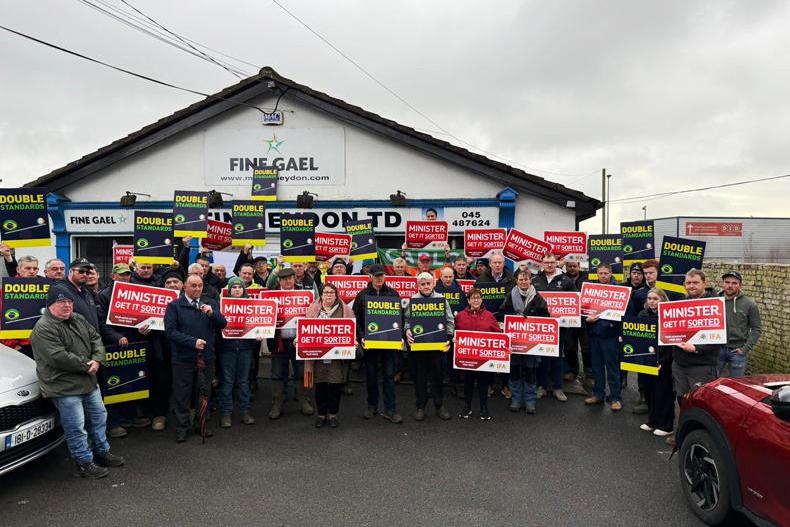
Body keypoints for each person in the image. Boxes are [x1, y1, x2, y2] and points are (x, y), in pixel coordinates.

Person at [30, 288, 124, 478]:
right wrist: (86, 365)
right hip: (64, 386)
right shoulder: (43, 327)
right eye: (61, 302)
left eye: (69, 302)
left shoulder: (78, 318)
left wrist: (97, 359)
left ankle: (101, 451)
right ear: (50, 305)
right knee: (76, 427)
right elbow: (57, 357)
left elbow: (96, 338)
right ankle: (83, 463)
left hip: (88, 380)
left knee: (98, 417)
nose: (67, 306)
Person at [164, 275, 227, 443]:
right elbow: (170, 332)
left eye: (200, 286)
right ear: (185, 286)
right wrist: (193, 343)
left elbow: (223, 323)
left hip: (206, 357)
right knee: (182, 393)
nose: (197, 289)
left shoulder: (210, 303)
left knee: (204, 391)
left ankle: (203, 424)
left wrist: (212, 313)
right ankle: (182, 427)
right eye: (193, 285)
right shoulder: (174, 306)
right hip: (182, 358)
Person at [96, 263, 151, 438]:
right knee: (113, 384)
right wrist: (116, 337)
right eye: (121, 275)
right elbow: (101, 323)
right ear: (113, 276)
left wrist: (144, 328)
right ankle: (113, 423)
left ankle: (131, 417)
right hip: (113, 346)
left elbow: (142, 316)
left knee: (134, 381)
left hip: (134, 345)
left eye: (127, 274)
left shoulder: (136, 293)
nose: (125, 278)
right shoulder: (104, 295)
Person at [352, 264, 403, 423]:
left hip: (389, 343)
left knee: (389, 376)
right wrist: (361, 337)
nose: (379, 278)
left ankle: (390, 409)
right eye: (376, 275)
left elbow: (400, 319)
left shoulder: (393, 294)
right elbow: (357, 321)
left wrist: (399, 336)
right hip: (370, 344)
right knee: (371, 376)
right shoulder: (362, 296)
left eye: (381, 275)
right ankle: (372, 406)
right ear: (370, 277)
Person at [498, 268, 550, 413]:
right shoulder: (510, 295)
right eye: (521, 279)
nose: (523, 282)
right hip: (514, 342)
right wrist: (514, 317)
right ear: (517, 281)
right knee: (514, 370)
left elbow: (546, 316)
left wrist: (532, 320)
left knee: (530, 371)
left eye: (526, 279)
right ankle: (516, 399)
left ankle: (530, 401)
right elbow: (501, 313)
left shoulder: (538, 298)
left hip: (531, 343)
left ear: (530, 280)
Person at [405, 272, 455, 421]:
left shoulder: (441, 299)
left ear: (433, 283)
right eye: (423, 284)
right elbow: (407, 321)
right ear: (418, 285)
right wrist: (407, 330)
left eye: (428, 283)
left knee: (437, 377)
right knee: (420, 377)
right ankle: (420, 406)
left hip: (437, 346)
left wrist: (448, 338)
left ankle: (439, 406)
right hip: (419, 348)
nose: (426, 286)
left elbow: (450, 321)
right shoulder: (412, 300)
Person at [304, 283, 355, 428]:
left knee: (334, 385)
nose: (328, 295)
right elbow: (305, 329)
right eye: (325, 292)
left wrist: (353, 342)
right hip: (318, 356)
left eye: (331, 292)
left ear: (336, 294)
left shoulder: (345, 310)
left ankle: (333, 414)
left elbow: (351, 331)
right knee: (320, 385)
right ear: (321, 294)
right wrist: (299, 339)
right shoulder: (313, 309)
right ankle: (321, 415)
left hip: (336, 357)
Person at [268, 267, 314, 419]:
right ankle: (277, 404)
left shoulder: (305, 294)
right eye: (283, 279)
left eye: (290, 278)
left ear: (295, 279)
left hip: (299, 341)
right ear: (279, 280)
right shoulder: (271, 294)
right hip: (278, 341)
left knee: (302, 371)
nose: (287, 281)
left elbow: (312, 314)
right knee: (277, 373)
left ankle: (304, 400)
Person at [671, 270, 720, 403]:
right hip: (679, 364)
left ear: (705, 283)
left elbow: (720, 337)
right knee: (682, 399)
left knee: (702, 401)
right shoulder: (679, 304)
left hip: (701, 365)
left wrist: (696, 348)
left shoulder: (716, 305)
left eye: (695, 283)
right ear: (684, 285)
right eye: (688, 283)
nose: (691, 286)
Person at [532, 253, 575, 402]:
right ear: (542, 264)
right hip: (541, 327)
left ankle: (557, 387)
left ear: (557, 263)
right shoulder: (535, 280)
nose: (549, 265)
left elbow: (574, 302)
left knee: (557, 356)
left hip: (559, 327)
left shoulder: (566, 281)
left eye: (551, 262)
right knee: (542, 357)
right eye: (546, 262)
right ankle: (542, 386)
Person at [218, 278, 260, 428]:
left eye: (239, 287)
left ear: (244, 289)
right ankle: (226, 413)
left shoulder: (252, 306)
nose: (237, 289)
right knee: (227, 382)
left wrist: (259, 334)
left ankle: (245, 412)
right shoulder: (221, 306)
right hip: (227, 349)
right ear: (229, 290)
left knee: (243, 382)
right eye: (234, 287)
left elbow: (258, 322)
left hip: (245, 349)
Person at [147, 267, 184, 431]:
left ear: (182, 285)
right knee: (161, 382)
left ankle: (183, 413)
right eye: (168, 282)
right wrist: (143, 327)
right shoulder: (154, 300)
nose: (172, 285)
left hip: (183, 348)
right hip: (161, 348)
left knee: (183, 383)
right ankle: (159, 414)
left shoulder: (189, 300)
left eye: (175, 281)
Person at [455, 288, 500, 420]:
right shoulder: (460, 316)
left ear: (481, 300)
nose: (476, 300)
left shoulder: (490, 316)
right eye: (473, 298)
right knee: (468, 383)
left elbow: (498, 335)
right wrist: (454, 339)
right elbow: (456, 333)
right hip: (467, 358)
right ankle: (467, 406)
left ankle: (484, 407)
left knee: (483, 384)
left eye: (478, 298)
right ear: (468, 300)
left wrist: (504, 347)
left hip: (484, 358)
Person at [584, 263, 623, 411]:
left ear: (611, 273)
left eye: (606, 273)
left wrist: (616, 326)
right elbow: (584, 310)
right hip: (594, 335)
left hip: (610, 336)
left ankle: (616, 398)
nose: (603, 276)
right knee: (597, 368)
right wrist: (587, 320)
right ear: (597, 273)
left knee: (612, 369)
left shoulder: (619, 290)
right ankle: (598, 394)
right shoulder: (591, 290)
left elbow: (626, 313)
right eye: (600, 273)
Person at [637, 287, 675, 437]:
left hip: (663, 361)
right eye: (650, 298)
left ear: (663, 300)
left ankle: (666, 425)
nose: (652, 301)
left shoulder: (668, 316)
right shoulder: (642, 314)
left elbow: (671, 343)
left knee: (663, 393)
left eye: (655, 298)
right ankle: (652, 421)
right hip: (646, 359)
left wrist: (663, 361)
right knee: (649, 391)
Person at [719, 271, 762, 377]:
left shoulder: (749, 305)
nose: (730, 286)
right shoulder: (714, 301)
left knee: (737, 385)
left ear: (740, 285)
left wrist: (745, 348)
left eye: (734, 283)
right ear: (722, 283)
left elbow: (757, 329)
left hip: (737, 351)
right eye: (727, 282)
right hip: (717, 350)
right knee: (711, 383)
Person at [624, 263, 651, 414]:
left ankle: (643, 395)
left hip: (641, 330)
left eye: (639, 273)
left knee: (641, 362)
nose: (636, 275)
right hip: (624, 327)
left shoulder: (647, 291)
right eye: (634, 273)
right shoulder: (622, 287)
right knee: (622, 356)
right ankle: (622, 380)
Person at [49, 258, 100, 331]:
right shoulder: (59, 290)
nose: (85, 274)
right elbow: (58, 321)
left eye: (87, 272)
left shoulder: (86, 291)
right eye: (81, 271)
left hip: (92, 339)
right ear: (71, 271)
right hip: (74, 340)